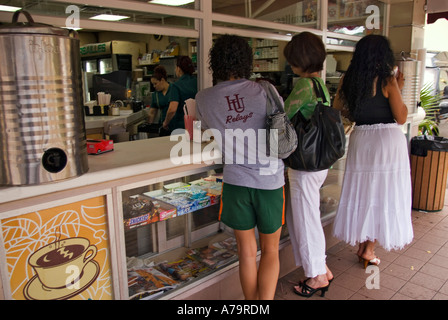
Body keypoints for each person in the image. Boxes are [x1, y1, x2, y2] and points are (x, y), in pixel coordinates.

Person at [195, 34, 285, 300]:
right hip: (270, 182)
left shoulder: (204, 98)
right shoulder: (266, 90)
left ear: (216, 63)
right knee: (270, 250)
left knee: (246, 252)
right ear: (247, 60)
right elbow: (282, 125)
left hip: (235, 182)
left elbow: (205, 131)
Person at [332, 34, 413, 268]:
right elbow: (401, 116)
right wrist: (400, 87)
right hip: (386, 142)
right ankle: (368, 249)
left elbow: (340, 110)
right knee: (383, 194)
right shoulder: (387, 80)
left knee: (365, 192)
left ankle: (363, 245)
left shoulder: (347, 80)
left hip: (361, 141)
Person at [283, 32, 334, 298]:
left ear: (301, 60)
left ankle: (316, 277)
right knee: (309, 216)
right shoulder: (320, 85)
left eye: (292, 60)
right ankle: (322, 269)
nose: (290, 65)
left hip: (305, 164)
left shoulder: (304, 85)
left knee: (305, 220)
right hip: (319, 161)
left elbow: (281, 114)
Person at [162, 56, 197, 132]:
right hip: (197, 125)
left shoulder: (176, 86)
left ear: (179, 69)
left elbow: (172, 109)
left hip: (181, 127)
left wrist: (165, 123)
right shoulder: (198, 82)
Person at [147, 65, 172, 136]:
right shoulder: (156, 95)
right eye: (153, 84)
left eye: (155, 83)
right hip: (163, 126)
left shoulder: (174, 89)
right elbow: (152, 113)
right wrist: (149, 128)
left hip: (175, 126)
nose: (154, 86)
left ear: (162, 80)